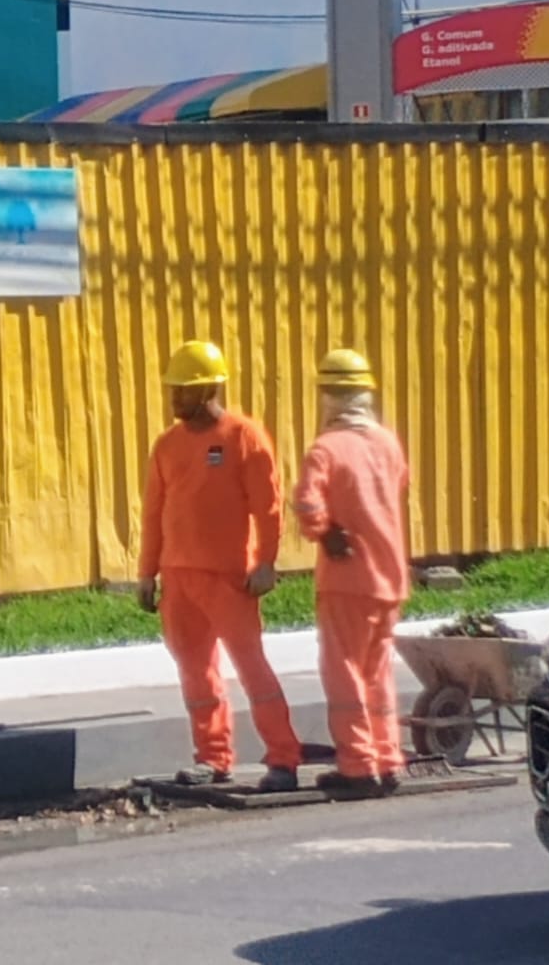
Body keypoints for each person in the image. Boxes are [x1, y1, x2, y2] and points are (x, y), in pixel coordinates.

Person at [138, 340, 303, 792]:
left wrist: (266, 562)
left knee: (251, 667)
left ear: (209, 388)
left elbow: (267, 506)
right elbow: (153, 513)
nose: (175, 398)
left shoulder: (243, 436)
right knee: (195, 672)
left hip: (230, 578)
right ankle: (212, 757)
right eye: (172, 388)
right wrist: (147, 573)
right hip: (178, 577)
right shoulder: (167, 445)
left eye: (184, 389)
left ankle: (283, 758)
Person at [292, 349, 412, 799]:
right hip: (389, 575)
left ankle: (359, 766)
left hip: (347, 579)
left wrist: (324, 532)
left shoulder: (326, 448)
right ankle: (388, 758)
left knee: (344, 673)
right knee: (378, 673)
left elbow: (306, 502)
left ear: (327, 396)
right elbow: (399, 484)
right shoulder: (387, 443)